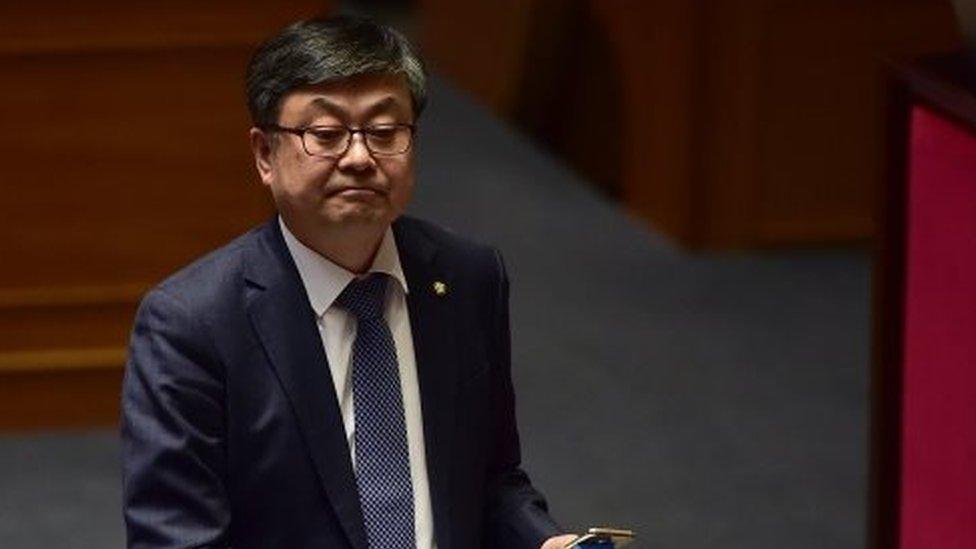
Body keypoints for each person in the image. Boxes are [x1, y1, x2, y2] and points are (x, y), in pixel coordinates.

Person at [121, 14, 578, 549]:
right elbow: (177, 538)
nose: (360, 158)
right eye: (327, 134)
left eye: (385, 133)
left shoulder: (467, 277)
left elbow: (491, 478)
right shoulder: (191, 323)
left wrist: (543, 542)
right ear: (265, 155)